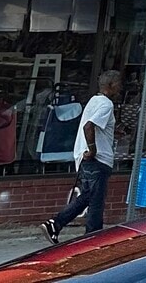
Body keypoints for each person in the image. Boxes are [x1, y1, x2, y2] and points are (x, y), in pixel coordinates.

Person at [43, 70, 121, 244]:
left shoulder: (94, 101)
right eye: (118, 84)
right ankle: (92, 240)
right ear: (111, 85)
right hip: (97, 160)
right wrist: (92, 149)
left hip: (85, 159)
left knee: (88, 197)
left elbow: (94, 127)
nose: (120, 87)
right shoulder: (106, 104)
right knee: (96, 204)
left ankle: (56, 224)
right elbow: (88, 126)